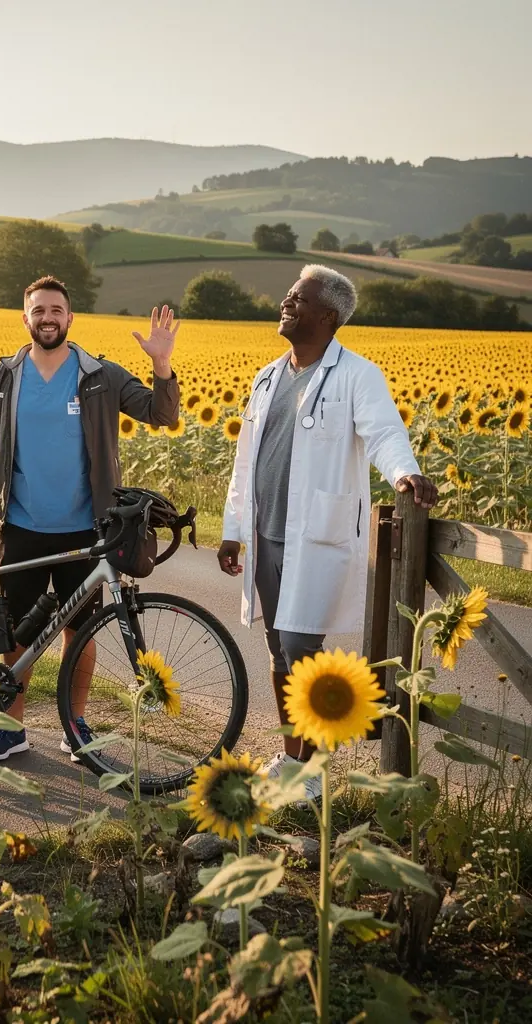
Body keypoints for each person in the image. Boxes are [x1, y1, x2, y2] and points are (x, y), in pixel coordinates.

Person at [0, 275, 181, 760]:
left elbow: (161, 414)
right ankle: (9, 729)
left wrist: (161, 364)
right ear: (25, 319)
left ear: (70, 317)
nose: (47, 318)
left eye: (56, 310)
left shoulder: (100, 375)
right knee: (15, 632)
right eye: (38, 310)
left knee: (79, 632)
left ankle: (74, 724)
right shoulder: (2, 377)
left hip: (86, 530)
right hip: (19, 525)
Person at [217, 265, 437, 799]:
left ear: (328, 316)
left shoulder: (357, 376)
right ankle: (292, 754)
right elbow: (246, 461)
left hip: (315, 534)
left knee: (301, 646)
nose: (286, 303)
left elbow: (384, 432)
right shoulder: (267, 376)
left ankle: (310, 771)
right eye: (290, 294)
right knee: (276, 647)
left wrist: (404, 471)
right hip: (266, 531)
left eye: (298, 298)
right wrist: (232, 529)